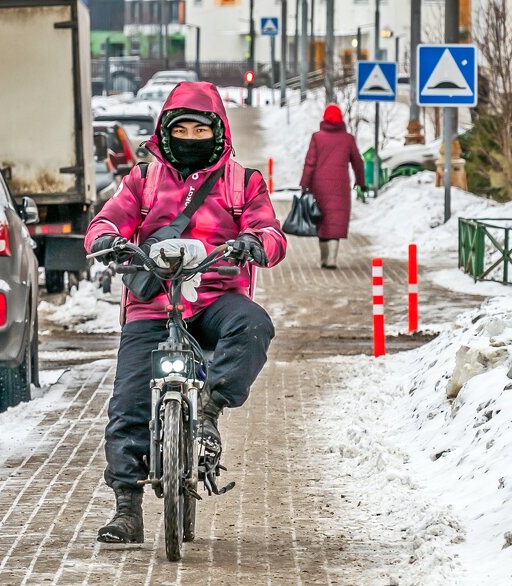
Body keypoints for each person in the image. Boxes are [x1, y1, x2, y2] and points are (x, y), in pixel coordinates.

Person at [85, 81, 287, 544]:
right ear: (165, 132)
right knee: (128, 402)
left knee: (254, 325)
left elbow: (271, 232)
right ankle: (126, 509)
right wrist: (106, 240)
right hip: (153, 302)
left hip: (216, 297)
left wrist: (253, 243)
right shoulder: (143, 180)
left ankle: (211, 408)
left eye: (201, 128)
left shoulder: (244, 181)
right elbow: (107, 219)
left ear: (217, 132)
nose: (191, 137)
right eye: (182, 128)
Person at [300, 104, 365, 269]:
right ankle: (332, 259)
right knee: (336, 221)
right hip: (340, 186)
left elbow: (310, 162)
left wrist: (305, 183)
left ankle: (324, 258)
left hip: (319, 185)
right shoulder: (348, 139)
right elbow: (358, 162)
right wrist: (361, 181)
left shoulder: (317, 137)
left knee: (322, 220)